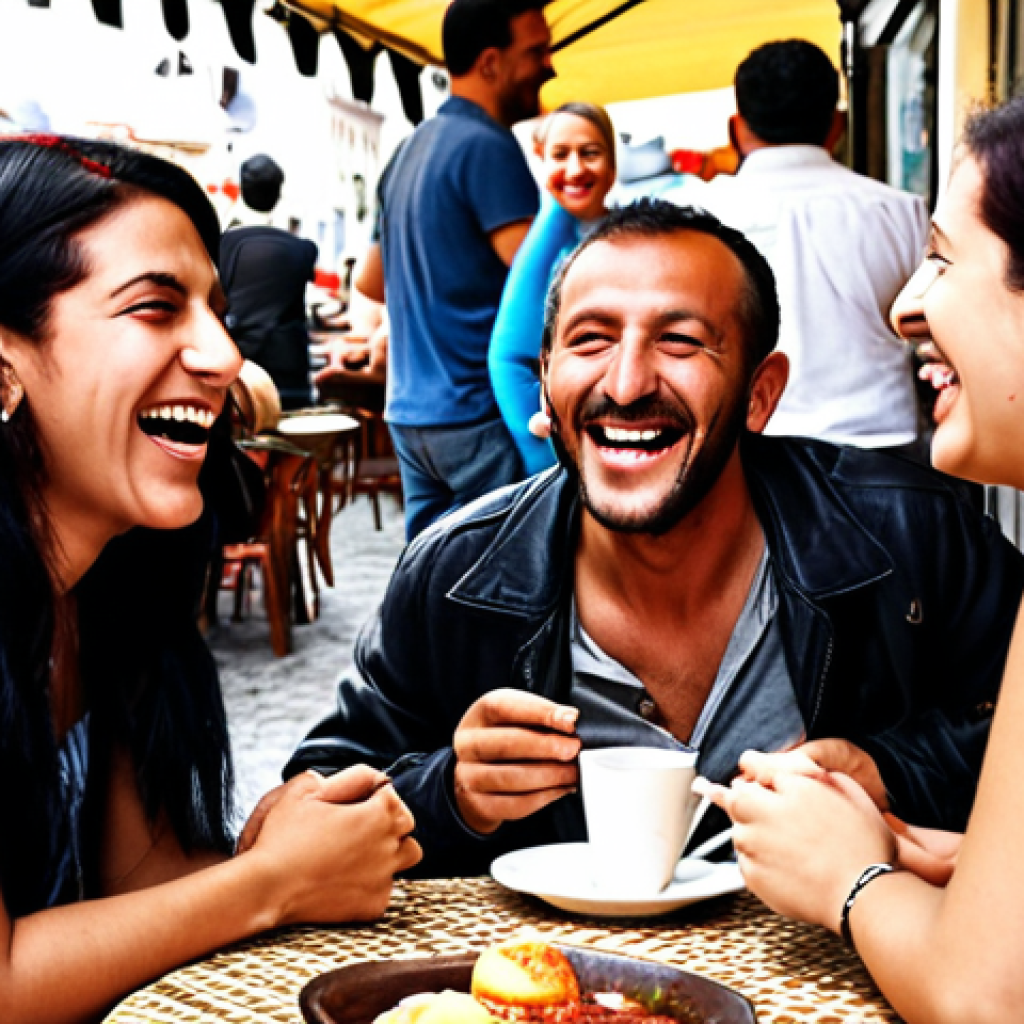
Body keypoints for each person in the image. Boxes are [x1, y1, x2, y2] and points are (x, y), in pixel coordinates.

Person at [281, 199, 1024, 878]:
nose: (628, 382)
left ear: (760, 393)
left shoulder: (910, 536)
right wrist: (449, 794)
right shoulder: (457, 573)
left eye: (680, 341)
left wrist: (887, 769)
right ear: (545, 382)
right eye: (591, 340)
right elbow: (305, 809)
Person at [0, 135, 420, 1024]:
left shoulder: (107, 594)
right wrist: (267, 884)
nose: (225, 356)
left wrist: (287, 841)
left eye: (216, 312)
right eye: (157, 308)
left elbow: (143, 888)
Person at [695, 96, 1024, 1024]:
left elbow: (984, 999)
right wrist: (969, 865)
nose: (905, 303)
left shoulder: (929, 539)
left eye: (944, 259)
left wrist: (849, 878)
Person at [354, 0, 554, 540]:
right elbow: (550, 284)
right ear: (491, 62)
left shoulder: (407, 150)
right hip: (478, 410)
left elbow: (369, 282)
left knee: (433, 580)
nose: (550, 66)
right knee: (505, 578)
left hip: (410, 414)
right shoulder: (488, 147)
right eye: (536, 51)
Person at [701, 40, 928, 453]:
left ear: (736, 128)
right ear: (837, 125)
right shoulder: (900, 211)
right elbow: (931, 334)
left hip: (749, 454)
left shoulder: (702, 218)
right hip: (886, 456)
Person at [489, 101, 618, 475]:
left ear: (611, 163)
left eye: (590, 153)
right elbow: (509, 358)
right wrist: (543, 453)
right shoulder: (543, 245)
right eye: (561, 155)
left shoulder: (639, 237)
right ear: (541, 159)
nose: (575, 168)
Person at [220, 154, 318, 410]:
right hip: (290, 374)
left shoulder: (222, 245)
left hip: (239, 373)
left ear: (242, 188)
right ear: (278, 191)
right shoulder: (303, 250)